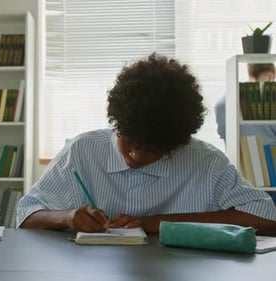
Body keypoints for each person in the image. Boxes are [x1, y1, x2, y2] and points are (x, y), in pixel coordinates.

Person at [16, 53, 276, 235]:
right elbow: (25, 214)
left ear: (177, 143)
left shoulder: (205, 162)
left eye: (152, 149)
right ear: (117, 123)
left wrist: (161, 223)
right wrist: (67, 217)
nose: (136, 156)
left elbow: (267, 218)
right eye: (129, 141)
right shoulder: (83, 151)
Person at [215, 63, 276, 144]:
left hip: (237, 155)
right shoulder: (271, 100)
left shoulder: (223, 103)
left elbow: (223, 135)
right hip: (270, 155)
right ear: (271, 76)